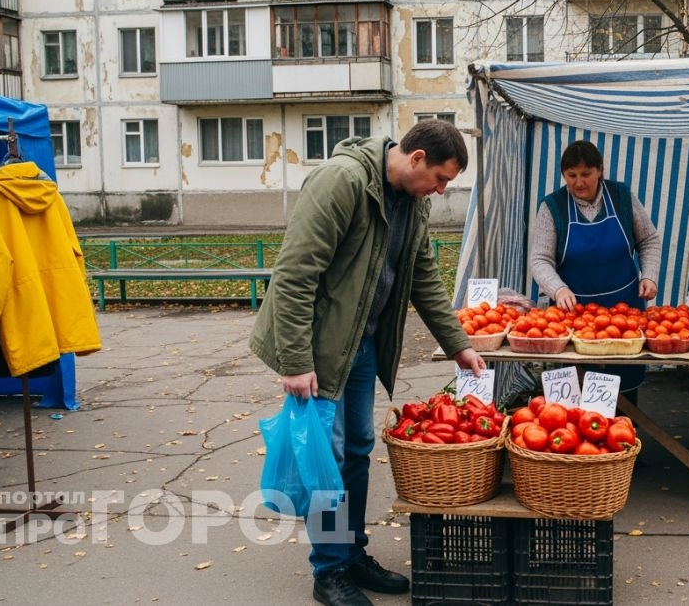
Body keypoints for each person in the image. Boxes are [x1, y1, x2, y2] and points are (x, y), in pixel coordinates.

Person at [249, 119, 486, 606]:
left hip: (363, 345)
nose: (441, 190)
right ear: (416, 158)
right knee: (328, 460)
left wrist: (458, 343)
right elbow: (294, 273)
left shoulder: (412, 202)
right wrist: (295, 360)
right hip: (320, 348)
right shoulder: (342, 181)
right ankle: (329, 570)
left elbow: (423, 277)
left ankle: (351, 552)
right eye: (440, 179)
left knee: (357, 449)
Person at [529, 139, 662, 400]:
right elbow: (540, 259)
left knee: (623, 392)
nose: (579, 182)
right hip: (575, 316)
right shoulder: (552, 206)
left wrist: (649, 276)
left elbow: (648, 240)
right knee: (575, 400)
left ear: (600, 170)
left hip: (625, 314)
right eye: (572, 175)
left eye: (586, 174)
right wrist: (558, 289)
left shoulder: (622, 196)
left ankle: (627, 425)